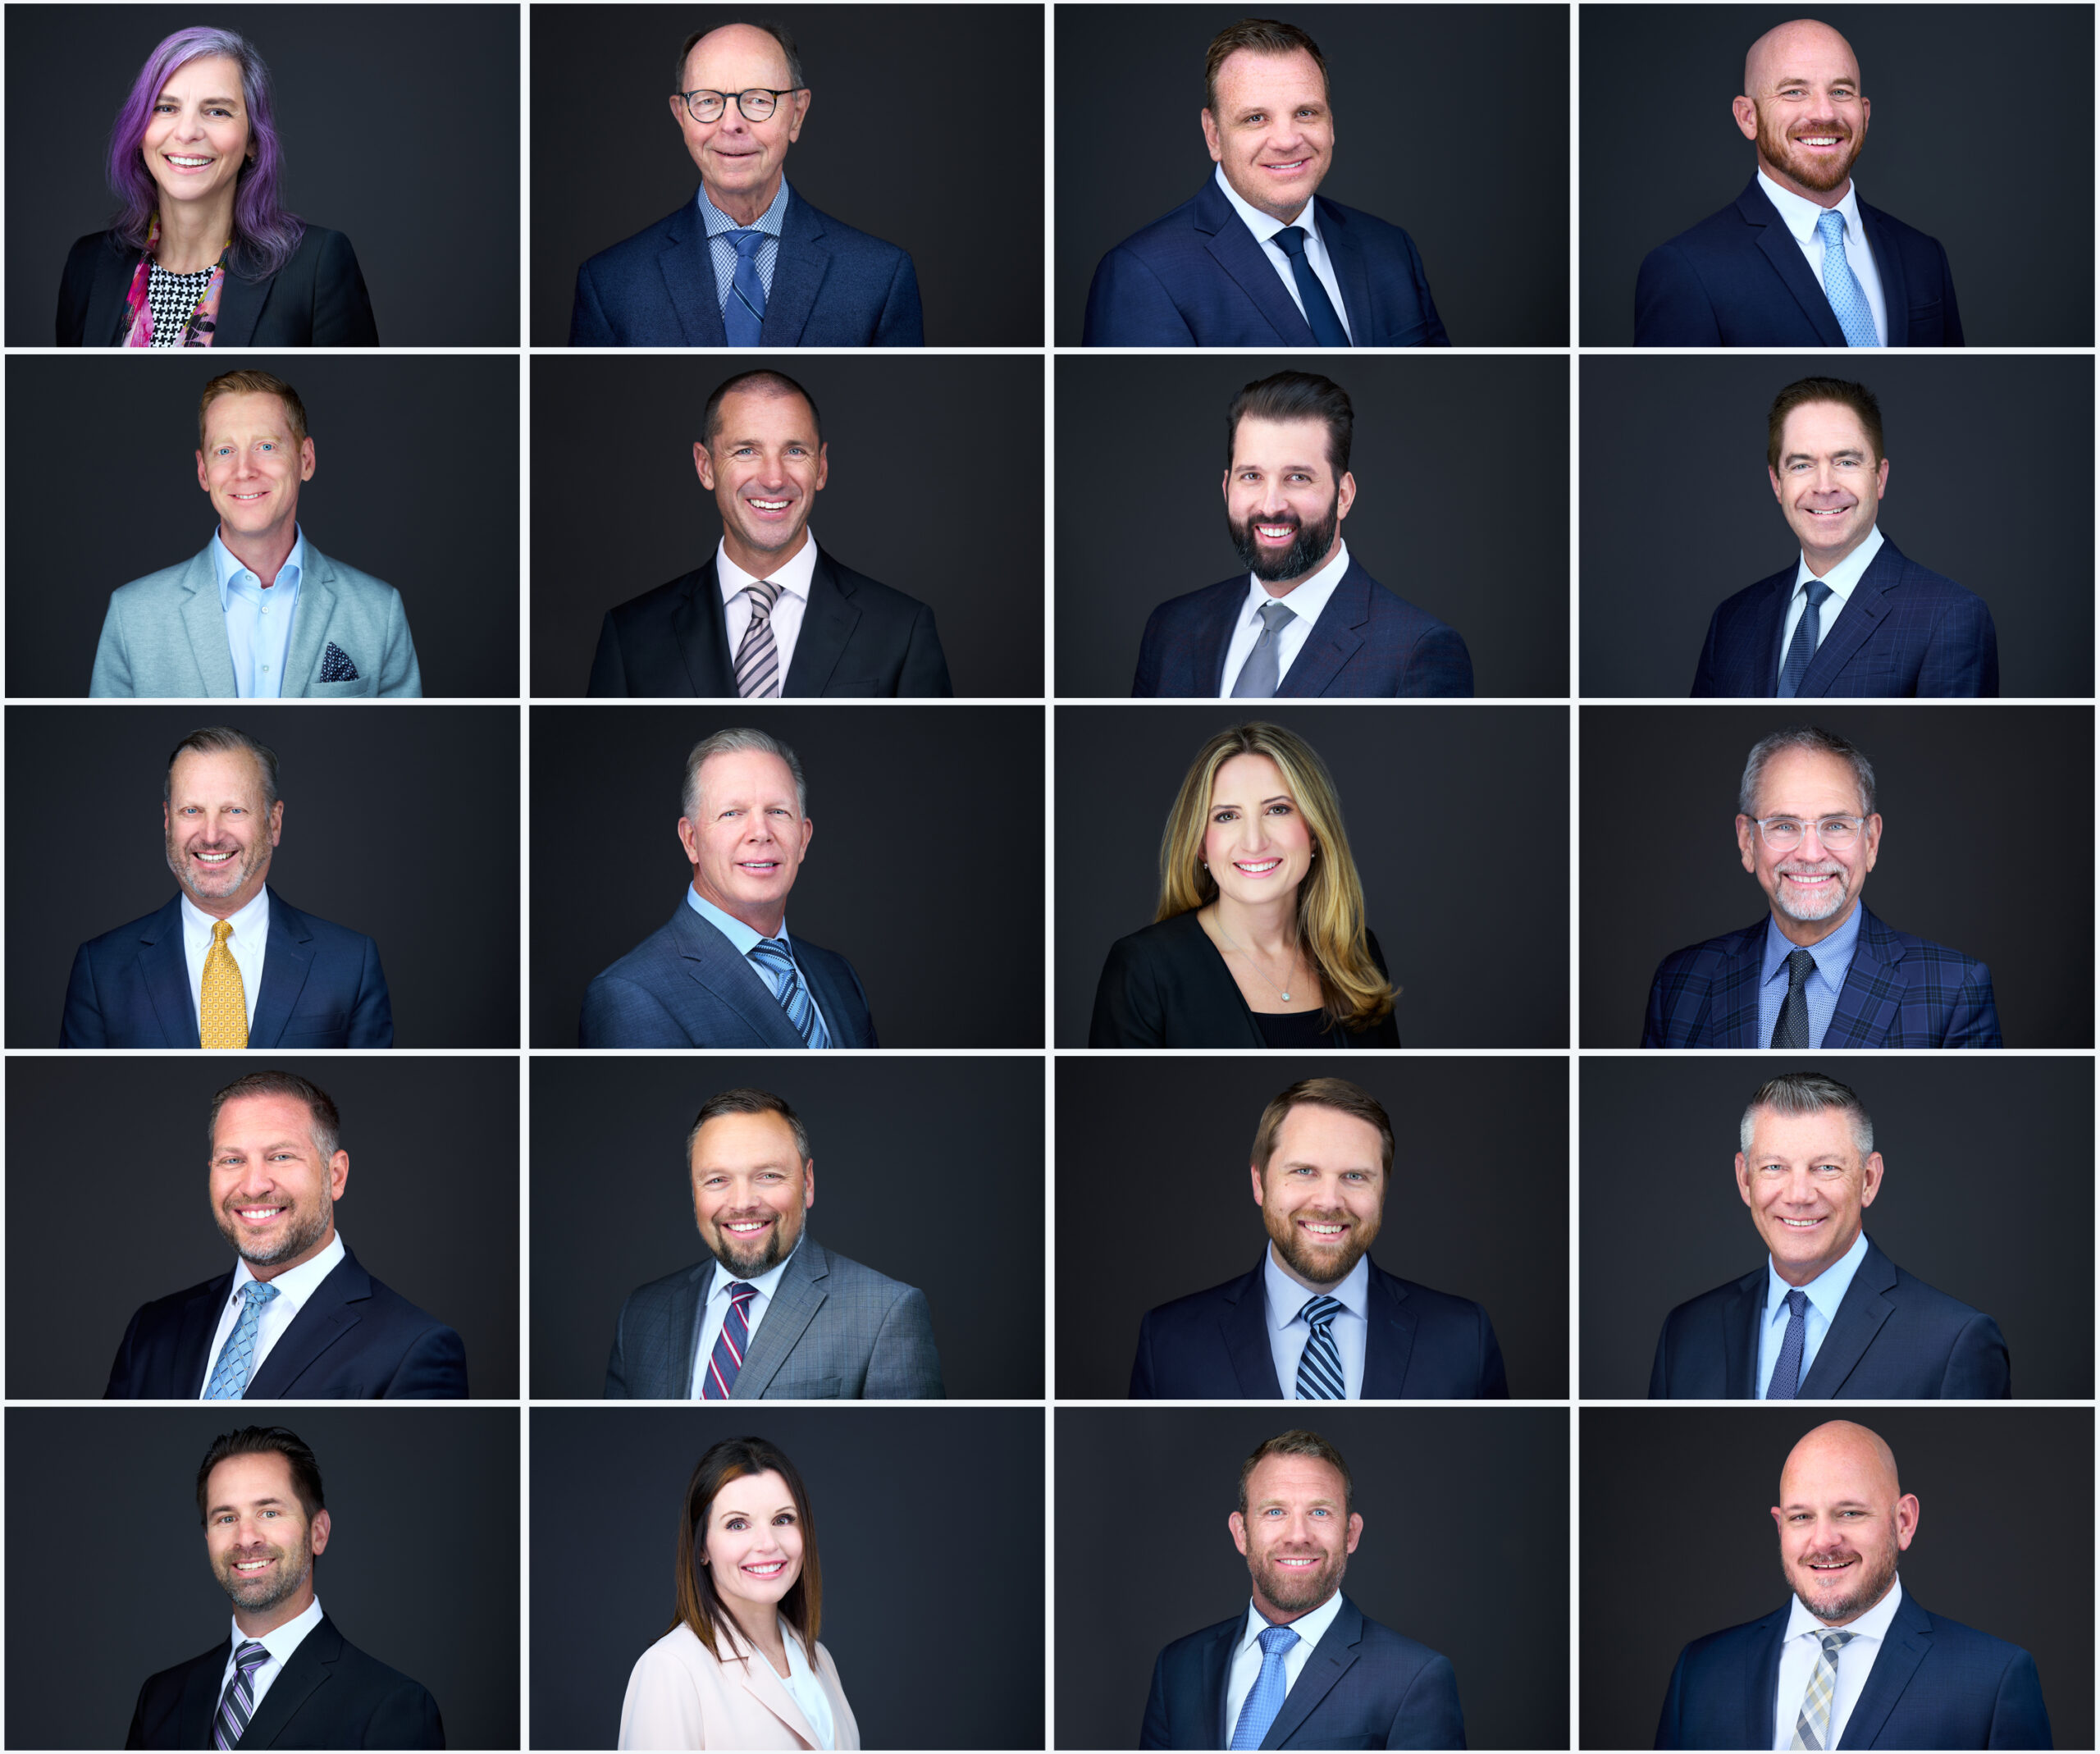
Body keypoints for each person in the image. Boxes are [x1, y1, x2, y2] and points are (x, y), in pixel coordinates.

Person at [1654, 1420, 2050, 1748]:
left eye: (1849, 1512)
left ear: (1904, 1523)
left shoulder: (1992, 1681)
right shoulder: (1701, 1671)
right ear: (1780, 1527)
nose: (1824, 1541)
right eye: (1801, 1517)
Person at [1132, 1079, 1506, 1398]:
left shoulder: (1463, 1337)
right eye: (1305, 1171)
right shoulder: (1168, 1341)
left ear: (1383, 1192)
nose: (1329, 1202)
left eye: (1355, 1177)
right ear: (1259, 1183)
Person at [1084, 19, 1448, 347]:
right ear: (1213, 135)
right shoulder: (1141, 275)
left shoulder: (1390, 247)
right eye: (1256, 118)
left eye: (1305, 113)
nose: (1287, 140)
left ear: (1331, 124)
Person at [587, 370, 950, 697]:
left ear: (821, 468)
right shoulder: (631, 635)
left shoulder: (903, 630)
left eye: (794, 451)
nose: (774, 479)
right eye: (746, 451)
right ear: (705, 466)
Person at [104, 1069, 465, 1397]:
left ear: (335, 1175)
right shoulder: (152, 1330)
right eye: (232, 1160)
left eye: (280, 1157)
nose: (254, 1185)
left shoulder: (413, 1348)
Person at [1648, 1072, 2009, 1399]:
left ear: (1869, 1180)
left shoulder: (1954, 1341)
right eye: (1774, 1167)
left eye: (1826, 1168)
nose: (1798, 1195)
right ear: (1745, 1180)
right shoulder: (1686, 1332)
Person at [1641, 725, 2000, 1048]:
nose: (1810, 854)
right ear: (1747, 842)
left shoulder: (1954, 989)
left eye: (1836, 825)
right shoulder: (1679, 982)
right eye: (1784, 825)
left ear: (1871, 841)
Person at [570, 22, 921, 347]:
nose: (732, 124)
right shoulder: (609, 284)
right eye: (708, 101)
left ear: (797, 115)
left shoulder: (881, 278)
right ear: (681, 117)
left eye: (757, 99)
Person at [1132, 370, 1472, 697]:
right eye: (1251, 476)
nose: (1271, 505)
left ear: (1343, 496)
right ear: (1226, 487)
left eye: (1298, 477)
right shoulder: (1170, 628)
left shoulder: (1416, 651)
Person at [90, 369, 422, 697]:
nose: (244, 470)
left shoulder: (379, 612)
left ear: (305, 459)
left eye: (265, 446)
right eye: (224, 451)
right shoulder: (131, 616)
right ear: (203, 472)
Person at [60, 726, 394, 1048]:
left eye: (234, 810)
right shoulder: (101, 969)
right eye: (191, 810)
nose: (210, 835)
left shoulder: (351, 964)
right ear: (167, 821)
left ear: (273, 823)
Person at [1634, 20, 1961, 347]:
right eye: (1794, 92)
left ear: (1865, 113)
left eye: (1840, 92)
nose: (1824, 112)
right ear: (1749, 117)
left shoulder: (1924, 255)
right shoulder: (1687, 271)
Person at [605, 1088, 940, 1398]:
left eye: (768, 1176)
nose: (742, 1203)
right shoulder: (640, 1314)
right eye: (717, 1180)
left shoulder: (886, 1314)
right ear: (694, 1191)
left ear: (807, 1183)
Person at [1140, 1430, 1463, 1749]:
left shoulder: (1415, 1678)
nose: (1298, 1536)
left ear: (1351, 1534)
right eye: (1275, 1512)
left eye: (1319, 1512)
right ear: (1241, 1533)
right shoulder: (1178, 1667)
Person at [125, 1426, 444, 1747]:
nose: (246, 1538)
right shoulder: (160, 1699)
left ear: (318, 1533)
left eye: (269, 1513)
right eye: (226, 1518)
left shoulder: (391, 1706)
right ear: (208, 1538)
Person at [59, 27, 377, 347]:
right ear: (140, 129)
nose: (186, 132)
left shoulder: (316, 267)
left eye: (217, 111)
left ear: (253, 140)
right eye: (166, 108)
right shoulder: (88, 264)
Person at [1090, 721, 1400, 1047]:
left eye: (1277, 810)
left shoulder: (1356, 951)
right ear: (1200, 844)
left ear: (1313, 832)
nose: (1254, 843)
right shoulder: (1143, 968)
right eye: (1227, 816)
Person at [1691, 377, 1996, 697]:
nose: (1824, 486)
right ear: (1777, 483)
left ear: (1879, 477)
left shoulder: (1950, 616)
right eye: (1801, 465)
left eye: (1846, 462)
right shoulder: (1731, 621)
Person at [580, 728, 876, 1048]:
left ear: (803, 838)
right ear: (691, 840)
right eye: (732, 813)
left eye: (778, 811)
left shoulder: (838, 974)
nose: (760, 833)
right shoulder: (629, 994)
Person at [620, 1435, 859, 1749]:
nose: (768, 1543)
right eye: (737, 1524)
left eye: (783, 1519)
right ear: (702, 1546)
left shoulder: (820, 1659)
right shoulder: (670, 1669)